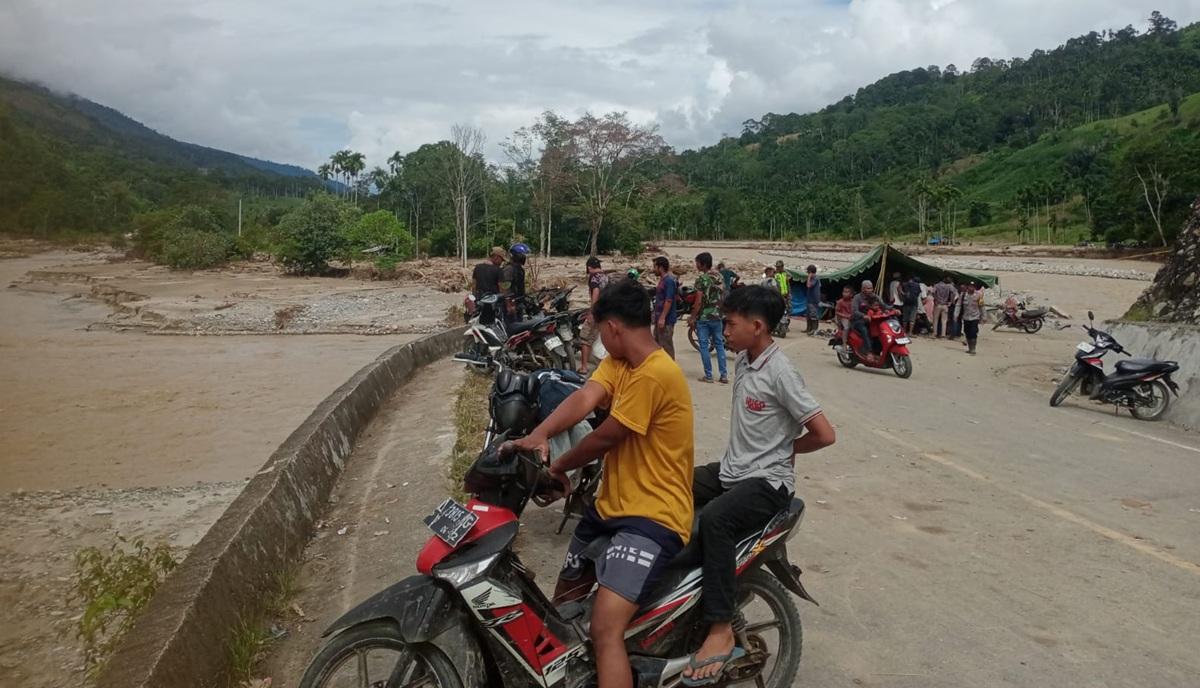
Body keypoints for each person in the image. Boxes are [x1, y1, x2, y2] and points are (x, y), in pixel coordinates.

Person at [507, 279, 694, 688]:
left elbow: (606, 436)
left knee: (604, 630)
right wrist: (539, 434)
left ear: (612, 328)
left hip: (652, 517)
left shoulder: (657, 373)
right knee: (561, 614)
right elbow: (584, 398)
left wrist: (559, 466)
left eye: (598, 332)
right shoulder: (621, 363)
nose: (599, 341)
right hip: (610, 507)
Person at [681, 286, 835, 685]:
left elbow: (823, 433)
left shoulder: (781, 371)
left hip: (767, 483)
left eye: (730, 324)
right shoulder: (745, 361)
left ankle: (719, 629)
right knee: (670, 483)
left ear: (757, 326)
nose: (724, 331)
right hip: (734, 470)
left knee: (715, 519)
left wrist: (786, 452)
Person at [690, 252, 729, 384]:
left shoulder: (702, 279)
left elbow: (698, 301)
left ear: (703, 264)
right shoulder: (719, 276)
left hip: (704, 318)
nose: (696, 265)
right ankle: (724, 375)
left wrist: (693, 317)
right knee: (719, 345)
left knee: (704, 346)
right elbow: (723, 295)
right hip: (717, 316)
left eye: (697, 263)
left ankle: (709, 375)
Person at [578, 257, 609, 375]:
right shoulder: (605, 276)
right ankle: (603, 366)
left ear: (589, 267)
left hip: (597, 311)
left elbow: (595, 292)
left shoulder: (593, 277)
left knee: (586, 338)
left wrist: (592, 312)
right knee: (601, 339)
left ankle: (584, 367)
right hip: (607, 312)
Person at [652, 256, 678, 359]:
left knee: (666, 346)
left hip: (666, 320)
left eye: (655, 267)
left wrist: (663, 317)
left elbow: (669, 300)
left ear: (660, 267)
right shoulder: (663, 280)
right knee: (657, 345)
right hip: (660, 319)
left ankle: (670, 369)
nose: (653, 269)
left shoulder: (669, 281)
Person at [849, 280, 879, 360]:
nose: (870, 290)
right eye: (868, 288)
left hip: (870, 320)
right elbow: (854, 311)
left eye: (871, 288)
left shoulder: (874, 296)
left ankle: (877, 351)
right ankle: (868, 352)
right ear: (862, 289)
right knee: (864, 330)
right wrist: (863, 316)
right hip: (856, 321)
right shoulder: (857, 298)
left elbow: (882, 304)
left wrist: (892, 309)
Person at [960, 282, 985, 355]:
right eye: (970, 286)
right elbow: (958, 305)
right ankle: (970, 348)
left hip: (975, 317)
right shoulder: (963, 295)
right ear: (968, 287)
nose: (971, 288)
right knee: (967, 332)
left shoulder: (979, 295)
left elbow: (982, 306)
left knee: (973, 332)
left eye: (973, 286)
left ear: (975, 287)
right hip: (966, 317)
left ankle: (973, 349)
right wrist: (956, 314)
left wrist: (984, 316)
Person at [804, 265, 821, 335]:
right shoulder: (813, 278)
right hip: (810, 299)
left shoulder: (815, 278)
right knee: (808, 315)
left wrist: (809, 277)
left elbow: (808, 285)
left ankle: (814, 329)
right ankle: (809, 328)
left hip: (813, 300)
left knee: (813, 315)